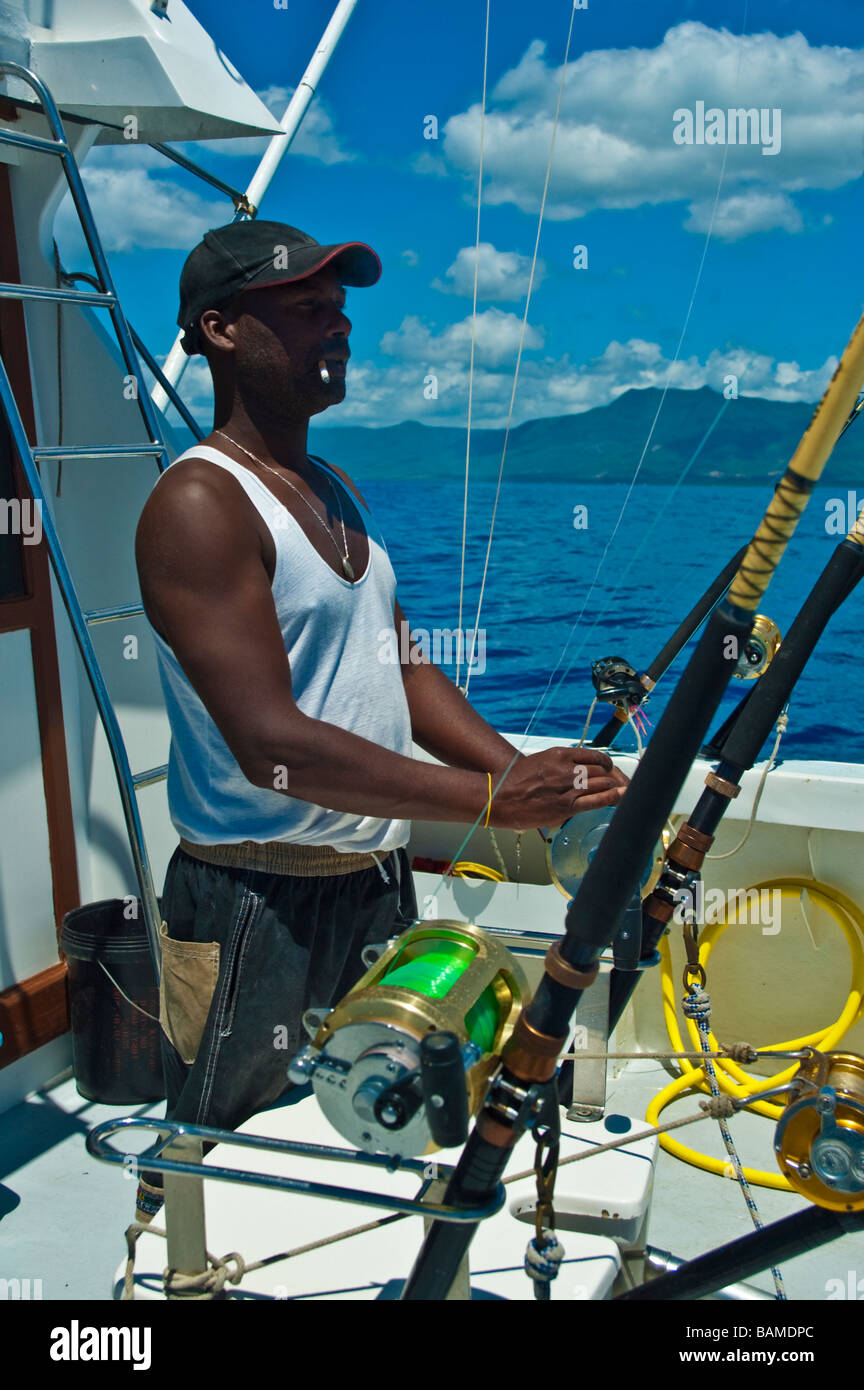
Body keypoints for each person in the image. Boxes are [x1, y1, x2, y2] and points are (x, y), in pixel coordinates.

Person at [133, 220, 627, 1221]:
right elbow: (272, 749)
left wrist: (536, 781)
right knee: (218, 1153)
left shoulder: (332, 488)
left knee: (379, 1121)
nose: (340, 327)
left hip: (373, 887)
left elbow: (402, 667)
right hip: (249, 905)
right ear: (222, 329)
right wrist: (493, 801)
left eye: (341, 308)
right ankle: (163, 1277)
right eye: (309, 308)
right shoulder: (199, 501)